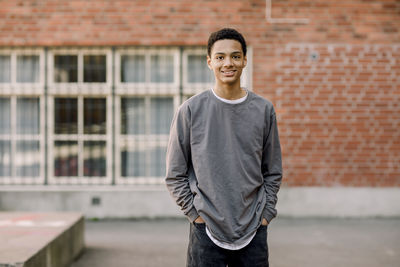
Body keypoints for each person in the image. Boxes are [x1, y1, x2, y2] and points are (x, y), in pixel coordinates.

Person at [165, 28, 283, 267]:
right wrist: (194, 216)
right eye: (220, 57)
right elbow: (174, 174)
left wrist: (266, 214)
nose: (228, 63)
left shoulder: (263, 110)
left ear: (244, 61)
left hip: (253, 228)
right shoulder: (190, 111)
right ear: (210, 62)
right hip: (206, 230)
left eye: (235, 56)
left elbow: (272, 170)